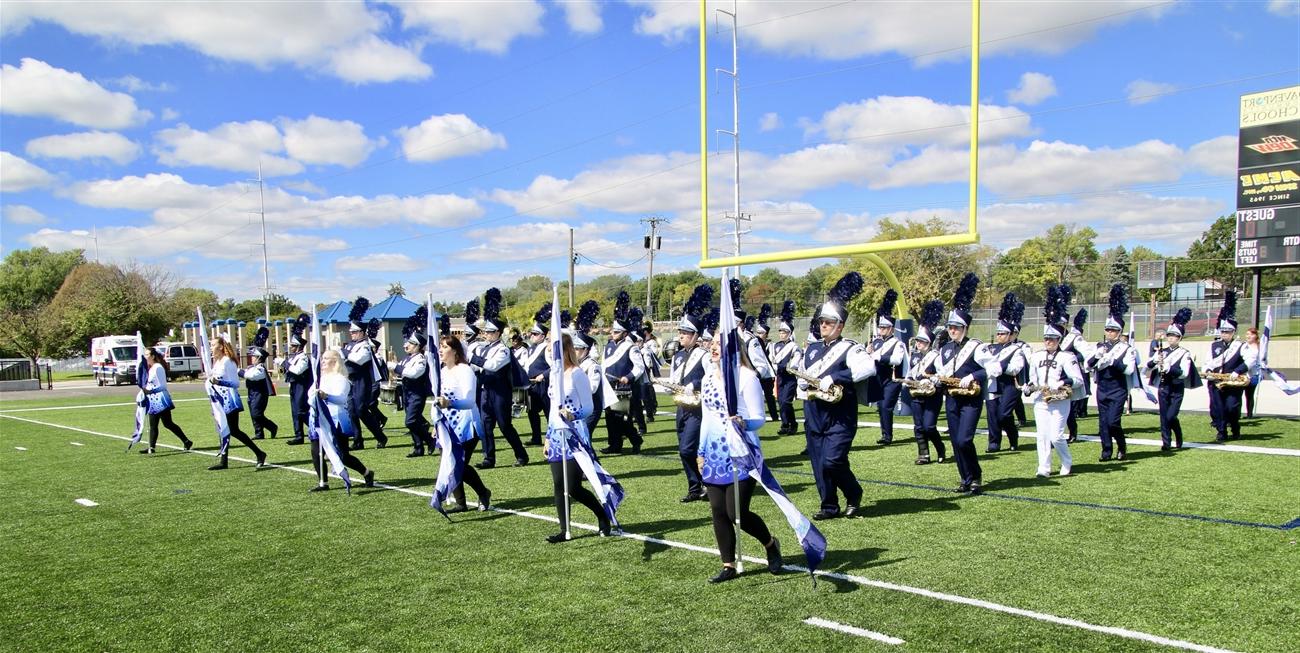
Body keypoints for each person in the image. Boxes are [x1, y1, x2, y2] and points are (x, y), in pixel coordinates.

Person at [698, 332, 783, 583]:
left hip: (742, 452)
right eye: (711, 344)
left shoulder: (747, 377)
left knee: (737, 511)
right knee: (717, 510)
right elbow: (707, 417)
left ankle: (770, 544)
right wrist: (700, 451)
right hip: (714, 452)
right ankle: (728, 565)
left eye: (718, 344)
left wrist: (743, 423)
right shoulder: (707, 379)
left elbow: (759, 419)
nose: (713, 348)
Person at [800, 272, 875, 519]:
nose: (823, 326)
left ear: (840, 325)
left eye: (829, 323)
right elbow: (804, 376)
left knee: (833, 461)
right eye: (822, 322)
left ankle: (853, 492)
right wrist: (802, 382)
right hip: (814, 414)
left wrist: (837, 377)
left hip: (840, 417)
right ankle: (829, 506)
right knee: (819, 464)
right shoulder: (811, 351)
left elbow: (868, 368)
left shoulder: (851, 348)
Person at [544, 333, 610, 542]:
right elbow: (553, 410)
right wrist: (547, 436)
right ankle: (564, 530)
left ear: (565, 351)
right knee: (558, 484)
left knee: (572, 486)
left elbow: (589, 407)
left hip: (575, 433)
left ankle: (602, 515)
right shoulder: (554, 375)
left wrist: (574, 415)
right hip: (556, 434)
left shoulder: (577, 374)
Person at [935, 273, 994, 494]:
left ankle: (975, 475)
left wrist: (975, 375)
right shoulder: (945, 348)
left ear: (965, 328)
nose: (952, 331)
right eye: (950, 327)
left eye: (957, 327)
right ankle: (965, 478)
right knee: (955, 441)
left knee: (964, 439)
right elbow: (942, 372)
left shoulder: (976, 346)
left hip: (971, 398)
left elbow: (994, 367)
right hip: (951, 398)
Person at [469, 288, 530, 469]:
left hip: (500, 392)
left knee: (505, 426)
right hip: (486, 391)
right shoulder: (482, 348)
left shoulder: (503, 350)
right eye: (485, 332)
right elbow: (475, 367)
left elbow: (493, 365)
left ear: (497, 333)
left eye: (489, 332)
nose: (485, 334)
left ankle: (521, 455)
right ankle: (489, 459)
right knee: (485, 426)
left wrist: (473, 358)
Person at [434, 330, 493, 512]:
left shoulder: (465, 370)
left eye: (444, 347)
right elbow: (437, 401)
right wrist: (435, 424)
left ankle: (483, 492)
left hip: (467, 424)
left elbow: (469, 401)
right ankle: (461, 502)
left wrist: (450, 403)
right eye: (440, 347)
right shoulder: (442, 372)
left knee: (457, 462)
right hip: (448, 425)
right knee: (450, 461)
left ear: (455, 351)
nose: (440, 351)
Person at [1026, 300, 1082, 478]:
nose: (1048, 342)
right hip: (1040, 399)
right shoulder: (1036, 356)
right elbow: (1033, 378)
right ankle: (1044, 467)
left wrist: (1062, 382)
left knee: (1056, 436)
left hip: (1059, 399)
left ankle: (1067, 461)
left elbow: (1078, 380)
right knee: (1042, 435)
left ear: (1059, 340)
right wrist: (1029, 388)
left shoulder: (1067, 357)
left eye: (1052, 339)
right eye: (1046, 339)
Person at [668, 284, 712, 503]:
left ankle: (705, 483)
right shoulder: (677, 356)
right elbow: (675, 379)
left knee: (688, 449)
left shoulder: (703, 355)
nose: (681, 336)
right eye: (680, 332)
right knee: (683, 449)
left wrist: (695, 382)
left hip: (698, 408)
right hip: (681, 407)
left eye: (685, 333)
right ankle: (695, 487)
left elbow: (711, 377)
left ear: (695, 335)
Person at [311, 349, 375, 491]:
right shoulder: (320, 379)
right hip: (320, 421)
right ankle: (323, 482)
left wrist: (326, 396)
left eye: (326, 359)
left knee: (343, 456)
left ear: (334, 361)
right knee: (316, 451)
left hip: (337, 421)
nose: (322, 361)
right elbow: (310, 394)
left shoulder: (341, 379)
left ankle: (366, 472)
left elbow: (341, 399)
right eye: (322, 358)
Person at [1087, 284, 1138, 462]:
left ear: (1119, 332)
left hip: (1117, 388)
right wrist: (1097, 357)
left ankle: (1122, 446)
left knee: (1113, 422)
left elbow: (1130, 369)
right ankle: (1106, 451)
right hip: (1103, 387)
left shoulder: (1127, 349)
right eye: (1108, 330)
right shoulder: (1100, 346)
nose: (1110, 333)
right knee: (1103, 423)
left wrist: (1114, 362)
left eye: (1113, 330)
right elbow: (1088, 365)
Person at [206, 336, 267, 470]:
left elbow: (235, 383)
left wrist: (219, 382)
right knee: (223, 428)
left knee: (234, 430)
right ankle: (224, 461)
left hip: (230, 399)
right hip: (219, 399)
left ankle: (259, 453)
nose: (211, 347)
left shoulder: (228, 361)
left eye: (213, 345)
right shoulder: (217, 362)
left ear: (221, 346)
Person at [599, 292, 644, 454]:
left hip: (623, 388)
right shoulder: (609, 345)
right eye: (612, 331)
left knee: (622, 419)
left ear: (625, 333)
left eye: (617, 332)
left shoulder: (631, 347)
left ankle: (636, 440)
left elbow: (639, 367)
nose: (613, 334)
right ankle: (614, 445)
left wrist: (628, 377)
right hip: (608, 386)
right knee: (610, 418)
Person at [1205, 292, 1253, 443]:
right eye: (1223, 331)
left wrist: (1237, 371)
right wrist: (1208, 372)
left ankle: (1235, 426)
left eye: (1228, 332)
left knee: (1232, 407)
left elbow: (1251, 361)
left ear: (1234, 332)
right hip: (1217, 382)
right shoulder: (1214, 345)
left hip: (1233, 382)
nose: (1225, 334)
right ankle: (1221, 431)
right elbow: (1208, 362)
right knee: (1218, 408)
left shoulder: (1241, 346)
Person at [1147, 308, 1198, 450]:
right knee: (1163, 416)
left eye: (1174, 336)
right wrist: (1155, 361)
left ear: (1180, 338)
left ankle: (1178, 434)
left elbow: (1184, 373)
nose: (1170, 338)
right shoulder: (1161, 351)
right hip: (1163, 386)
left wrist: (1170, 368)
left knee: (1170, 416)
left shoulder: (1184, 353)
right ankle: (1166, 443)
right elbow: (1148, 366)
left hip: (1176, 388)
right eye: (1169, 335)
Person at [904, 301, 947, 465]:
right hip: (916, 395)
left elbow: (941, 375)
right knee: (918, 426)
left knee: (929, 426)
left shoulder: (935, 356)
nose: (918, 344)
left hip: (932, 395)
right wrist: (907, 382)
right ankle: (924, 454)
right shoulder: (914, 356)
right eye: (918, 341)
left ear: (929, 343)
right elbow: (909, 374)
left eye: (922, 341)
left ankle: (940, 448)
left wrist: (931, 378)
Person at [341, 298, 387, 450]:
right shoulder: (351, 346)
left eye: (354, 332)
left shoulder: (365, 346)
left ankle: (380, 436)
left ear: (361, 332)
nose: (352, 334)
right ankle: (358, 439)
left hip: (362, 381)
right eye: (351, 332)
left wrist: (344, 352)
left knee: (361, 410)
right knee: (351, 411)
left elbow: (358, 360)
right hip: (350, 380)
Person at [984, 294, 1026, 452]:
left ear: (1010, 335)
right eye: (998, 333)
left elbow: (1016, 368)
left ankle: (1013, 436)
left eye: (1003, 334)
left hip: (1009, 385)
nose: (999, 336)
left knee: (1003, 415)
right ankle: (994, 442)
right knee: (992, 414)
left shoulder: (1016, 349)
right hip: (993, 383)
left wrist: (1001, 366)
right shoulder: (990, 348)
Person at [869, 290, 908, 446]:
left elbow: (897, 360)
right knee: (880, 406)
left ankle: (887, 436)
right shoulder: (877, 342)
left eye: (885, 328)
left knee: (886, 406)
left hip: (892, 379)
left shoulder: (898, 343)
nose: (882, 330)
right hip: (879, 378)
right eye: (881, 327)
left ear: (892, 329)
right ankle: (885, 433)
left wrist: (879, 357)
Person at [396, 310, 435, 458]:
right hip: (407, 392)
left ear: (418, 346)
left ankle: (429, 440)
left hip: (417, 393)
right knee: (414, 420)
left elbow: (413, 373)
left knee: (411, 421)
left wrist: (397, 368)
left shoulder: (420, 359)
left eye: (412, 343)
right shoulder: (407, 358)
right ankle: (418, 447)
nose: (408, 345)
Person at [138, 347, 192, 453]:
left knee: (167, 423)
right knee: (154, 424)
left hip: (161, 398)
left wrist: (151, 391)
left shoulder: (158, 367)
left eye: (147, 354)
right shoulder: (151, 368)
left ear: (153, 356)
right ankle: (151, 447)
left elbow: (162, 385)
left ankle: (186, 441)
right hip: (153, 399)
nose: (145, 357)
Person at [521, 305, 554, 447]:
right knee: (532, 412)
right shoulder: (530, 348)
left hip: (543, 384)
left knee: (548, 412)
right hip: (532, 384)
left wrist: (543, 375)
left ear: (543, 336)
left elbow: (555, 366)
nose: (531, 336)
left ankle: (552, 438)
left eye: (535, 334)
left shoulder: (547, 348)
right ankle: (536, 437)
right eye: (531, 333)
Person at [768, 301, 802, 436]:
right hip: (780, 377)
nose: (782, 334)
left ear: (789, 333)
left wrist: (788, 366)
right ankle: (785, 424)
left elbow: (795, 362)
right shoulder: (775, 346)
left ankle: (792, 424)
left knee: (786, 402)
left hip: (789, 377)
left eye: (784, 332)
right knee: (780, 402)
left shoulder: (794, 346)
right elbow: (772, 360)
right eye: (780, 331)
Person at [1060, 303, 1092, 442]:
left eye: (1061, 323)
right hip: (1054, 374)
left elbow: (1086, 354)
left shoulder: (1072, 337)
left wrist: (1072, 358)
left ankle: (1073, 431)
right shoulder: (1050, 337)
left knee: (1068, 407)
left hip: (1068, 376)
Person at [241, 327, 278, 440]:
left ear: (259, 358)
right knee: (253, 414)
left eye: (254, 356)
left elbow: (250, 375)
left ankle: (272, 427)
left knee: (257, 414)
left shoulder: (260, 369)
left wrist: (239, 372)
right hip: (252, 392)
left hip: (259, 394)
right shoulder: (253, 367)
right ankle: (259, 433)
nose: (252, 358)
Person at [282, 315, 312, 445]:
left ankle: (315, 429)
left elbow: (297, 370)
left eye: (293, 346)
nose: (291, 348)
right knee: (295, 411)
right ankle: (298, 435)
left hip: (302, 386)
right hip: (294, 385)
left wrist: (286, 364)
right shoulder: (294, 357)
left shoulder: (303, 358)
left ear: (299, 346)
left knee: (301, 411)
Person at [750, 304, 779, 423]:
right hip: (759, 372)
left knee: (769, 396)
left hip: (768, 373)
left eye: (762, 333)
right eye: (758, 332)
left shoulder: (770, 345)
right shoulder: (755, 342)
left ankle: (774, 416)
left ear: (766, 334)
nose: (759, 334)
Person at [640, 324, 663, 424]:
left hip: (648, 368)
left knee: (648, 388)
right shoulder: (643, 343)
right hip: (642, 368)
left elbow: (655, 353)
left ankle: (652, 405)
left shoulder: (652, 342)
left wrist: (647, 351)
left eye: (645, 331)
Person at [1242, 327, 1262, 418]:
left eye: (1251, 334)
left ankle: (1249, 414)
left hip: (1253, 375)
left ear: (1255, 336)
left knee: (1249, 395)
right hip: (1242, 374)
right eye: (1247, 334)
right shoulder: (1243, 346)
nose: (1248, 336)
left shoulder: (1258, 347)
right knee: (1238, 394)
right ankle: (1235, 414)